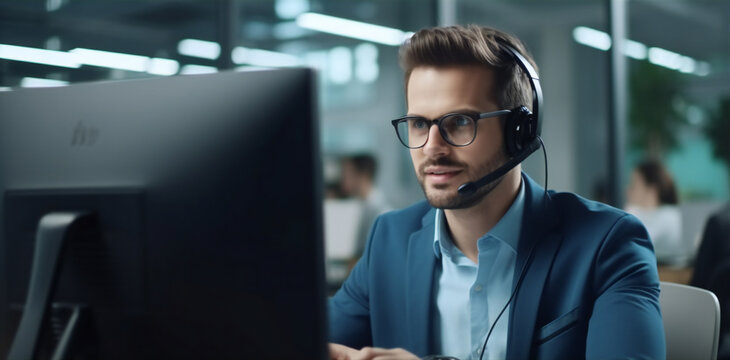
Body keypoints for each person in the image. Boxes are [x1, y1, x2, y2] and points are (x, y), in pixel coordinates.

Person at [328, 25, 665, 360]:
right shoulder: (389, 241)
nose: (432, 148)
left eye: (459, 122)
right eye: (418, 123)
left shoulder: (607, 244)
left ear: (519, 131)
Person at [625, 159, 684, 266]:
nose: (628, 190)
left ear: (652, 190)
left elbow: (637, 244)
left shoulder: (669, 215)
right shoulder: (639, 213)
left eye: (634, 184)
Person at [340, 154, 392, 259]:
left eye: (348, 175)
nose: (343, 180)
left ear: (364, 176)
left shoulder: (382, 213)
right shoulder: (361, 207)